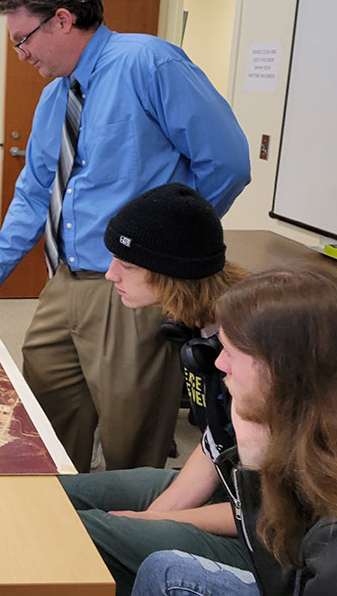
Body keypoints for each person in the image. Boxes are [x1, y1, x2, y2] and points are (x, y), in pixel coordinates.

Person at [0, 0, 251, 472]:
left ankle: (122, 538)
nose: (20, 54)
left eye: (23, 39)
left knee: (131, 432)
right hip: (65, 279)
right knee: (43, 409)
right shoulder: (54, 97)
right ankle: (61, 516)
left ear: (61, 19)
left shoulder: (150, 63)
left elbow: (228, 163)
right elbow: (34, 194)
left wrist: (168, 248)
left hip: (131, 285)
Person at [60, 184, 248, 595]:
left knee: (71, 532)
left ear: (170, 272)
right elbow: (215, 444)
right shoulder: (200, 332)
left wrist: (156, 522)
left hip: (265, 537)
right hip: (226, 485)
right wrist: (153, 516)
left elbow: (267, 513)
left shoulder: (249, 349)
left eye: (125, 264)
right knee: (50, 496)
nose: (110, 274)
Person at [132, 269, 337, 596]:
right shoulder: (307, 426)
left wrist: (254, 465)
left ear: (281, 367)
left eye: (232, 352)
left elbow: (280, 580)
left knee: (158, 566)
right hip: (283, 568)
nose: (219, 365)